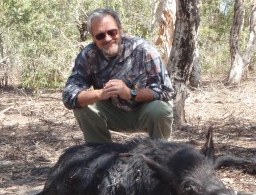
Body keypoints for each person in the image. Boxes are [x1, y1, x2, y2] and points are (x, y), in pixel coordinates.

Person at [62, 8, 174, 143]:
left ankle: (160, 155)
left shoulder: (143, 50)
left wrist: (130, 93)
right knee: (83, 107)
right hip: (112, 113)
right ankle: (100, 157)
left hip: (144, 111)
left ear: (120, 30)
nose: (107, 38)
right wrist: (100, 94)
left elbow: (166, 91)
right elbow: (69, 96)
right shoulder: (88, 55)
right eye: (100, 35)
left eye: (112, 32)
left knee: (161, 109)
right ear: (93, 38)